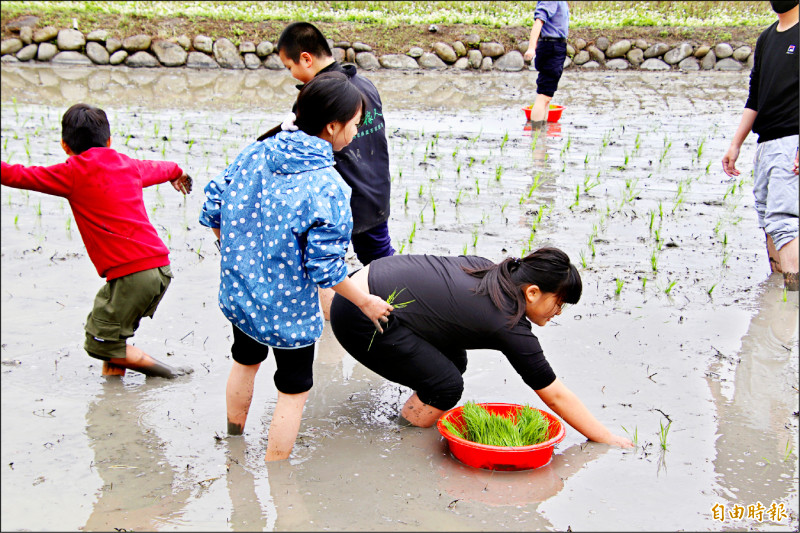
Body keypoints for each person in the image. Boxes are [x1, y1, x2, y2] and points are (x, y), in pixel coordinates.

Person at [198, 72, 394, 462]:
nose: (356, 132)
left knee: (244, 361)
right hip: (287, 308)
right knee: (293, 389)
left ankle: (233, 442)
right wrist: (367, 302)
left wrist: (231, 248)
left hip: (242, 292)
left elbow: (214, 201)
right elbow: (326, 269)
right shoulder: (328, 185)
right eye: (355, 124)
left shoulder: (259, 150)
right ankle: (276, 472)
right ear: (332, 126)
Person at [329, 247, 633, 448]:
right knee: (446, 386)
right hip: (361, 313)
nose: (559, 312)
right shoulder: (508, 323)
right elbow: (553, 394)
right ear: (533, 292)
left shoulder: (492, 272)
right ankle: (405, 439)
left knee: (453, 362)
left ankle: (411, 415)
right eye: (559, 302)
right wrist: (605, 438)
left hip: (364, 286)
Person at [1, 103, 194, 379]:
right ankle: (113, 397)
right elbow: (161, 167)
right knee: (114, 339)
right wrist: (177, 172)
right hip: (158, 269)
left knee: (99, 343)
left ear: (65, 146)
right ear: (109, 141)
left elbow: (17, 175)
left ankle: (168, 374)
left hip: (133, 275)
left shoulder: (71, 173)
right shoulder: (129, 165)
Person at [275, 22, 395, 317]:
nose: (291, 74)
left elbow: (304, 157)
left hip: (337, 202)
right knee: (383, 267)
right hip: (376, 195)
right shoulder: (365, 85)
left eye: (289, 66)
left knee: (327, 267)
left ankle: (332, 333)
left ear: (306, 58)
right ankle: (402, 316)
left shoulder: (316, 97)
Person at [722, 0, 799, 291]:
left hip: (792, 142)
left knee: (784, 221)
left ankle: (793, 300)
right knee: (768, 217)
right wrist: (736, 144)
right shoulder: (767, 38)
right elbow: (755, 96)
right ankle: (778, 296)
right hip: (766, 142)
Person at [523, 1, 570, 127]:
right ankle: (536, 136)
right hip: (551, 46)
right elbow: (539, 20)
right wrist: (531, 48)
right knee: (543, 96)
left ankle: (541, 138)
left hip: (556, 45)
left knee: (546, 97)